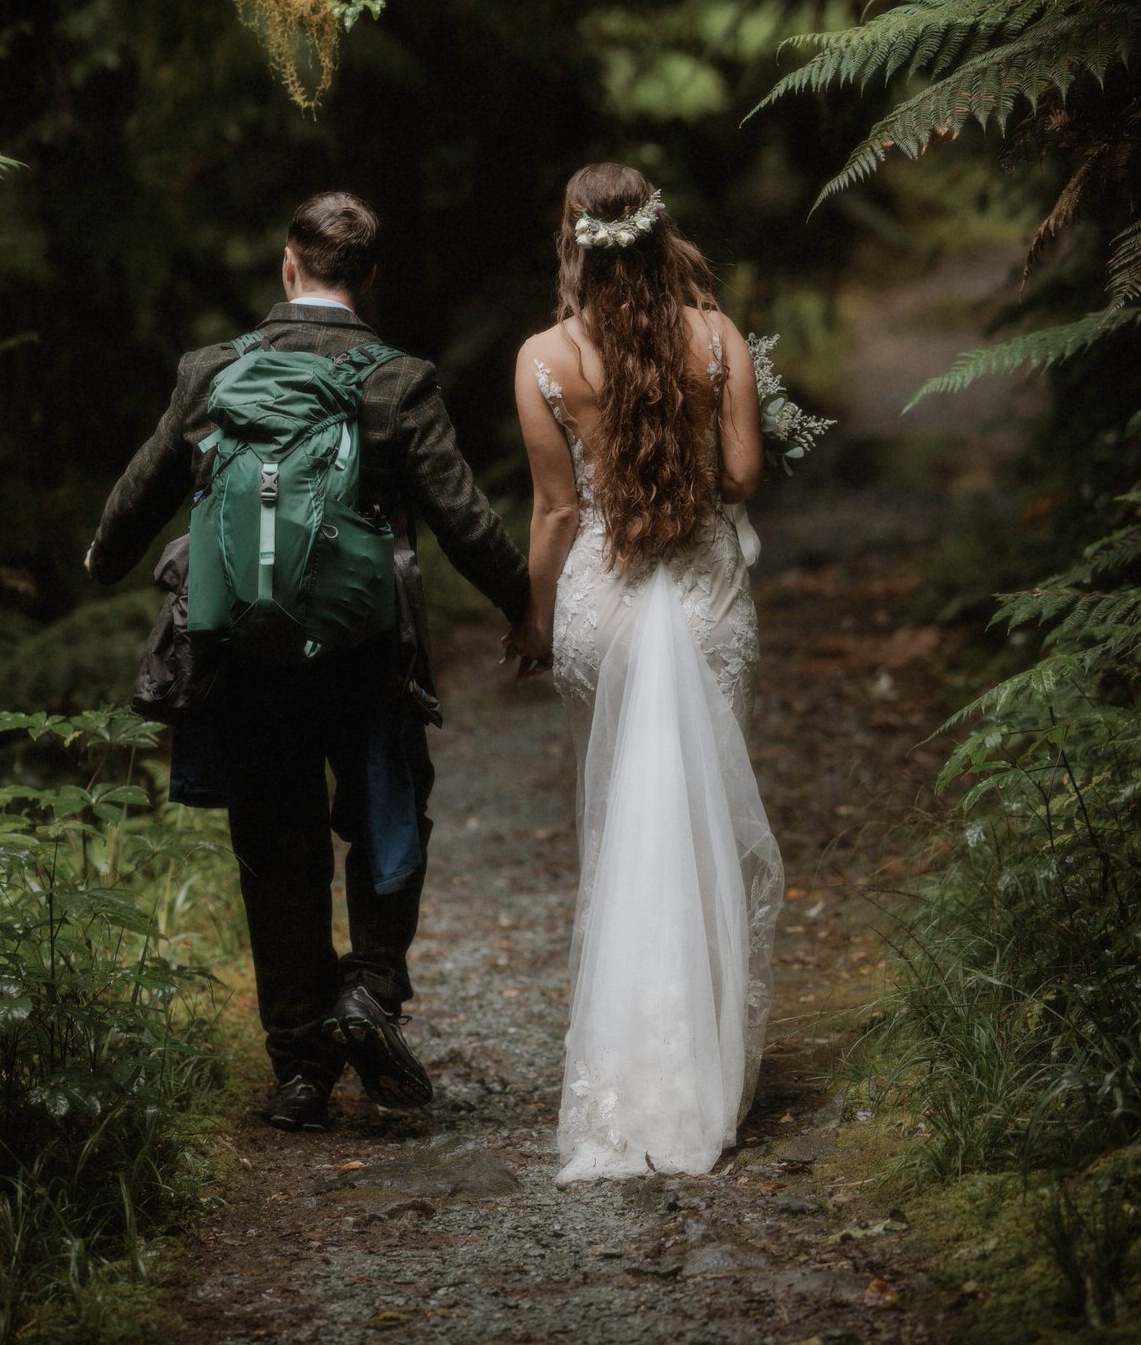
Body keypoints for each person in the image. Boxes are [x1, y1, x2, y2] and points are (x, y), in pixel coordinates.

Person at [87, 190, 529, 1133]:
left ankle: (298, 1065)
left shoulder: (212, 371)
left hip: (244, 658)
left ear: (288, 266)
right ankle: (369, 989)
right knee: (388, 812)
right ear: (367, 280)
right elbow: (464, 518)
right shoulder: (396, 380)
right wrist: (527, 605)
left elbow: (142, 486)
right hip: (365, 653)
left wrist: (102, 555)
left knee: (274, 849)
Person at [510, 164, 783, 1182]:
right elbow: (744, 476)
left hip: (604, 610)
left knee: (631, 815)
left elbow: (554, 512)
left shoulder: (543, 357)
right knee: (701, 808)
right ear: (663, 236)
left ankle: (634, 1055)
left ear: (574, 241)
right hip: (705, 600)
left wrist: (535, 619)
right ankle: (706, 1058)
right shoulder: (717, 339)